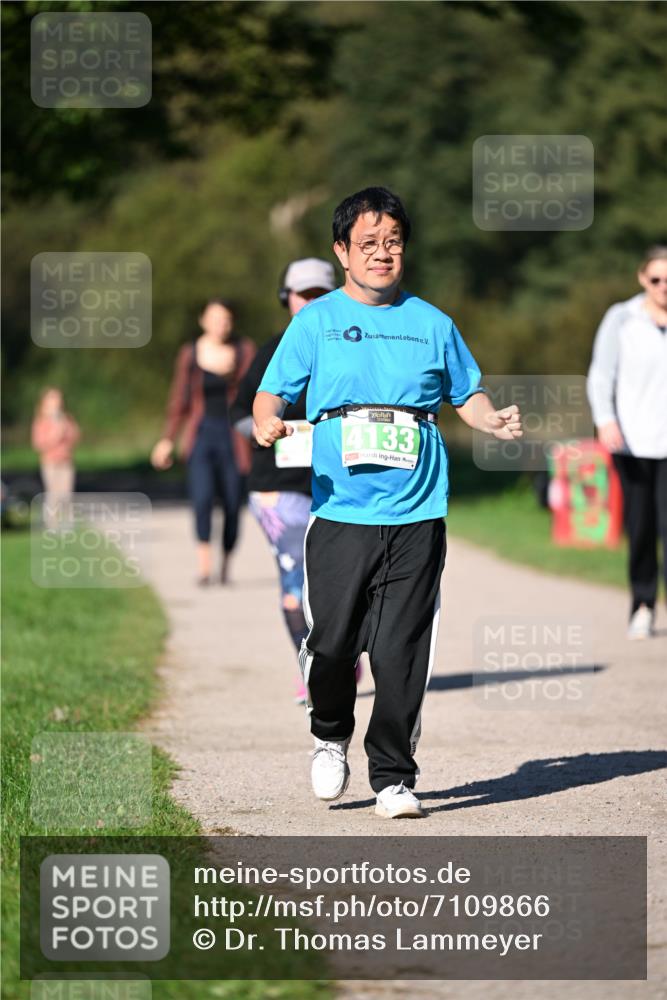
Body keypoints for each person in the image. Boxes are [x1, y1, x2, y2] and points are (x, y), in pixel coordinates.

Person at [253, 186, 522, 819]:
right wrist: (268, 421)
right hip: (343, 511)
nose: (382, 254)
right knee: (335, 642)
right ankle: (328, 735)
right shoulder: (313, 323)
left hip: (418, 510)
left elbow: (468, 392)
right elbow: (271, 395)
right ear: (341, 252)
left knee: (403, 647)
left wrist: (490, 421)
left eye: (393, 243)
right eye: (368, 244)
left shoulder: (433, 324)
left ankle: (394, 777)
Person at [231, 259, 337, 703]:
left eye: (319, 294)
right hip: (278, 486)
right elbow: (239, 414)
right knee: (296, 577)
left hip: (340, 483)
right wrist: (263, 428)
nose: (310, 302)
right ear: (286, 298)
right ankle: (312, 671)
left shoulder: (347, 348)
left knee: (339, 581)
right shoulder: (272, 351)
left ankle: (341, 653)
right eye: (302, 294)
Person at [587, 245, 667, 639]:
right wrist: (605, 420)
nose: (664, 286)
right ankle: (643, 603)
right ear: (642, 279)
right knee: (641, 527)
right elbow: (601, 375)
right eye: (656, 279)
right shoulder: (622, 318)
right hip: (633, 442)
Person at [151, 298, 255, 585]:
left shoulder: (244, 351)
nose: (222, 324)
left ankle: (226, 566)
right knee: (202, 499)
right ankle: (205, 567)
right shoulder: (191, 353)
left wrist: (234, 372)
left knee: (233, 503)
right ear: (203, 321)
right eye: (216, 318)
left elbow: (256, 393)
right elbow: (180, 399)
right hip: (202, 436)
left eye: (227, 319)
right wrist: (167, 439)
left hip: (234, 439)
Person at [31, 387, 80, 531]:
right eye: (53, 398)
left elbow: (75, 436)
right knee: (53, 493)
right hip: (50, 462)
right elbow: (38, 443)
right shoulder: (41, 420)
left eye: (58, 398)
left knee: (66, 493)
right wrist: (55, 434)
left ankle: (67, 523)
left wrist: (66, 429)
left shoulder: (65, 417)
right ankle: (52, 524)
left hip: (66, 460)